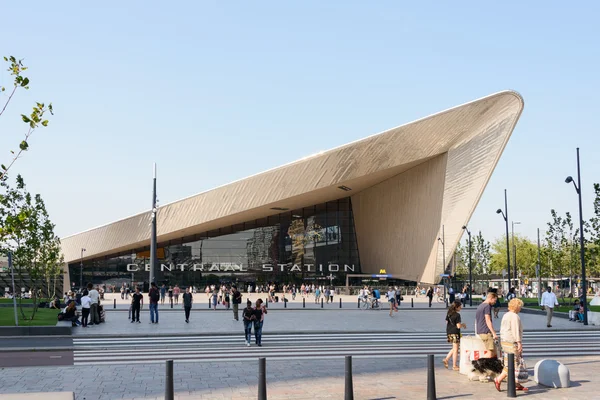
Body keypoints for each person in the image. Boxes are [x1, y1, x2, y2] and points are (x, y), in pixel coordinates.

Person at [494, 298, 528, 392]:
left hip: (505, 341)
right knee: (512, 364)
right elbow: (515, 330)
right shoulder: (514, 316)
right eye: (520, 306)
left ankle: (516, 383)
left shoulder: (506, 315)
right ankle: (499, 379)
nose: (521, 308)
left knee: (509, 363)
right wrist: (519, 342)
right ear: (517, 306)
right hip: (511, 342)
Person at [442, 300, 466, 371]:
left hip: (449, 331)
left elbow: (447, 322)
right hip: (455, 332)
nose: (461, 308)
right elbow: (458, 326)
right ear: (457, 307)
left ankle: (446, 359)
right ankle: (454, 365)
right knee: (456, 349)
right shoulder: (457, 315)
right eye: (460, 306)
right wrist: (463, 325)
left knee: (455, 347)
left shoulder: (449, 313)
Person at [475, 292, 499, 357]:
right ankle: (478, 363)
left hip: (481, 330)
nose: (495, 302)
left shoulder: (481, 305)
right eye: (494, 300)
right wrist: (494, 333)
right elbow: (488, 320)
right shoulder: (487, 306)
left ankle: (489, 366)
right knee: (490, 352)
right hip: (486, 331)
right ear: (491, 298)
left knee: (494, 352)